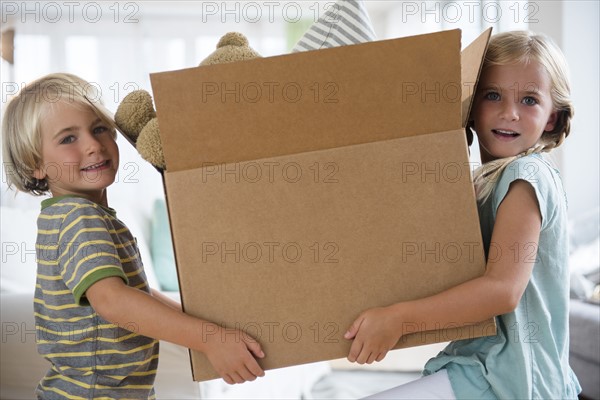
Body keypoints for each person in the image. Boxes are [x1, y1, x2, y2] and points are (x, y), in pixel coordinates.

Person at [344, 31, 581, 399]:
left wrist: (399, 317)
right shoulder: (485, 182)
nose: (509, 112)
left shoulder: (527, 176)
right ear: (471, 105)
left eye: (529, 100)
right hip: (484, 365)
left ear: (552, 118)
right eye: (492, 95)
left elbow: (503, 290)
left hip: (513, 378)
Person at [2, 73, 265, 399]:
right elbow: (112, 300)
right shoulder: (79, 218)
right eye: (68, 139)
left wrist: (205, 322)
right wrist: (207, 337)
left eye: (99, 129)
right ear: (34, 164)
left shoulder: (75, 216)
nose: (93, 145)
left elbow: (135, 291)